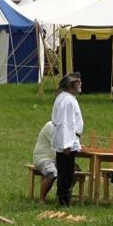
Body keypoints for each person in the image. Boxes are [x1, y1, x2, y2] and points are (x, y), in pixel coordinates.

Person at [51, 72, 84, 207]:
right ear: (71, 84)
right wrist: (67, 144)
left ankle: (63, 199)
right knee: (65, 173)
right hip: (67, 142)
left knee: (67, 172)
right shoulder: (66, 100)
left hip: (69, 140)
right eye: (77, 82)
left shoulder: (68, 98)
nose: (80, 84)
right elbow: (65, 123)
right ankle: (63, 201)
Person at [32, 121, 57, 203]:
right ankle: (42, 199)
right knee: (52, 173)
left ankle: (63, 196)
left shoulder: (66, 128)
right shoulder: (51, 126)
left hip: (57, 160)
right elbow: (59, 144)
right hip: (43, 158)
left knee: (74, 171)